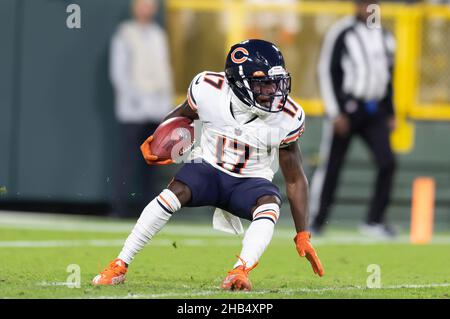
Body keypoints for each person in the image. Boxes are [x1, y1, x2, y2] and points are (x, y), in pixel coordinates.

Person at [92, 39, 324, 290]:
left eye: (276, 81)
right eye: (263, 83)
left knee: (269, 205)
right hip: (209, 169)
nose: (273, 90)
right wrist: (160, 137)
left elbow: (294, 178)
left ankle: (239, 272)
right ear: (238, 82)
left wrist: (302, 233)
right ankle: (120, 263)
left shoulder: (288, 117)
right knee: (173, 194)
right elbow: (182, 114)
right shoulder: (208, 89)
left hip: (250, 182)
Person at [310, 0, 397, 238]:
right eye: (363, 4)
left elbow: (388, 77)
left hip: (375, 109)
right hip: (347, 108)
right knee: (333, 165)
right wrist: (335, 112)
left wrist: (390, 112)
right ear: (355, 6)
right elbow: (326, 71)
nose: (368, 9)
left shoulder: (385, 36)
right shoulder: (342, 32)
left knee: (387, 163)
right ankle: (317, 221)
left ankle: (374, 221)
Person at [109, 0, 173, 218]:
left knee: (153, 162)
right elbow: (119, 71)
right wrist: (133, 98)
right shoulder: (125, 34)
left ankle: (150, 212)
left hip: (156, 108)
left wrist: (165, 106)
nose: (146, 9)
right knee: (127, 160)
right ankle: (119, 208)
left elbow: (164, 69)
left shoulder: (158, 35)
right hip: (133, 109)